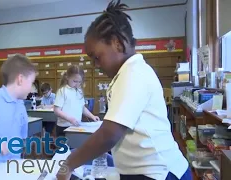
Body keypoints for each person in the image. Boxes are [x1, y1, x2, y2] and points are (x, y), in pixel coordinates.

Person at [57, 1, 191, 180]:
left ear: (117, 44)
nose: (95, 65)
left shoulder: (133, 73)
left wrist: (69, 164)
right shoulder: (126, 73)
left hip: (161, 173)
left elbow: (109, 134)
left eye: (96, 57)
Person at [54, 65, 100, 138]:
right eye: (75, 81)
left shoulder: (79, 90)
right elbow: (57, 110)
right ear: (67, 77)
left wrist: (92, 116)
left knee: (75, 147)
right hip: (64, 127)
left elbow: (82, 107)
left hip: (76, 127)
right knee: (64, 149)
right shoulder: (62, 91)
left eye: (79, 82)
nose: (77, 84)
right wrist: (69, 118)